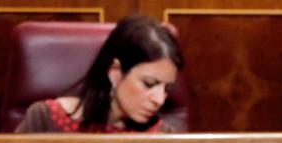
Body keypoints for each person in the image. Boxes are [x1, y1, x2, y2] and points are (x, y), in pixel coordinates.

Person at [15, 14, 184, 133]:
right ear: (115, 71)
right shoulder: (44, 119)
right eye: (149, 84)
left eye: (167, 88)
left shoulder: (163, 135)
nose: (159, 99)